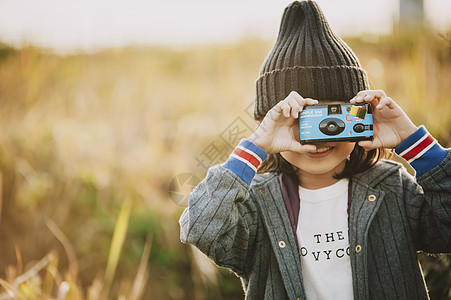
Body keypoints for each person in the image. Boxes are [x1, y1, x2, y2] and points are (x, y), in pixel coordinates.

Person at [179, 1, 451, 299]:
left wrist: (414, 143)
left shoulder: (393, 187)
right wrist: (256, 147)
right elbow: (202, 228)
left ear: (363, 113)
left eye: (333, 117)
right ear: (266, 122)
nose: (320, 139)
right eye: (302, 119)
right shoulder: (254, 205)